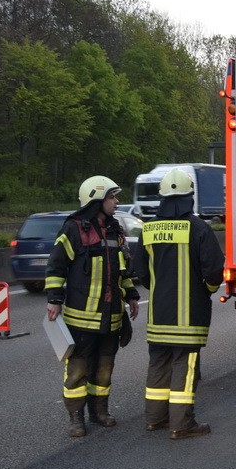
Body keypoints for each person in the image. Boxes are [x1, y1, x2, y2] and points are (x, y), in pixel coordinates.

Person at [46, 176, 140, 438]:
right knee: (78, 370)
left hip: (111, 317)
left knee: (104, 368)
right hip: (81, 320)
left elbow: (124, 268)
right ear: (97, 199)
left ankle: (100, 411)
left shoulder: (115, 229)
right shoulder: (73, 230)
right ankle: (76, 418)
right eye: (112, 197)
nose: (116, 201)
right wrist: (54, 299)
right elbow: (56, 266)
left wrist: (131, 293)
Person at [137, 168, 224, 440]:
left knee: (158, 365)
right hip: (188, 317)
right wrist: (206, 291)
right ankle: (182, 424)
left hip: (158, 315)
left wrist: (160, 289)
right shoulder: (198, 228)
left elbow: (141, 272)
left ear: (162, 197)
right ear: (190, 195)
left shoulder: (148, 229)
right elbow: (213, 271)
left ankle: (155, 419)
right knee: (184, 369)